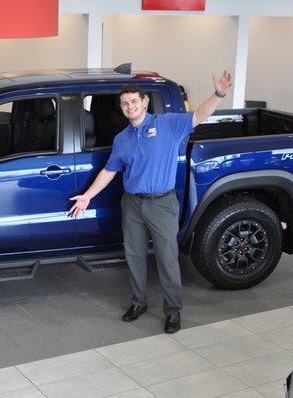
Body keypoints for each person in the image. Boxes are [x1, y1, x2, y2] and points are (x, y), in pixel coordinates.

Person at [69, 71, 233, 334]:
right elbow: (110, 171)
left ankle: (173, 311)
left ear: (144, 102)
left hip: (162, 203)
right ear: (121, 107)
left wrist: (219, 94)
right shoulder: (121, 139)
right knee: (134, 256)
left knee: (167, 258)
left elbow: (199, 115)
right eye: (125, 103)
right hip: (132, 204)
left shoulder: (168, 124)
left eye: (134, 101)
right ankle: (139, 302)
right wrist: (88, 195)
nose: (130, 106)